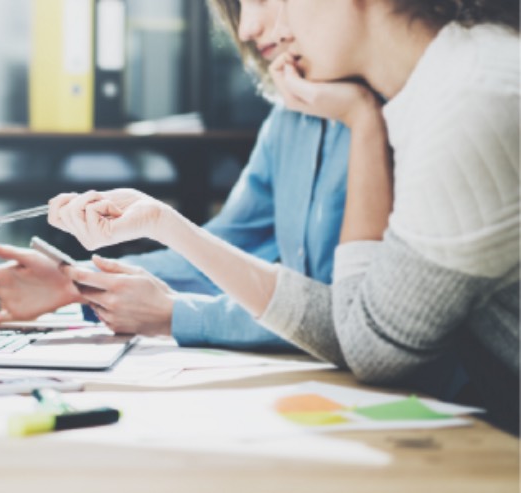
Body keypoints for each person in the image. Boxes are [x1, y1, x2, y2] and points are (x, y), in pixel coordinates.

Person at [48, 0, 519, 433]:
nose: (249, 27)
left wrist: (361, 124)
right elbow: (361, 324)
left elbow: (372, 346)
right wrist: (146, 233)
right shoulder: (444, 84)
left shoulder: (470, 101)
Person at [0, 0, 351, 351]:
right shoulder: (289, 117)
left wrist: (176, 314)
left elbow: (347, 321)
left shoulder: (381, 119)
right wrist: (78, 280)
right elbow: (220, 251)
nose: (245, 29)